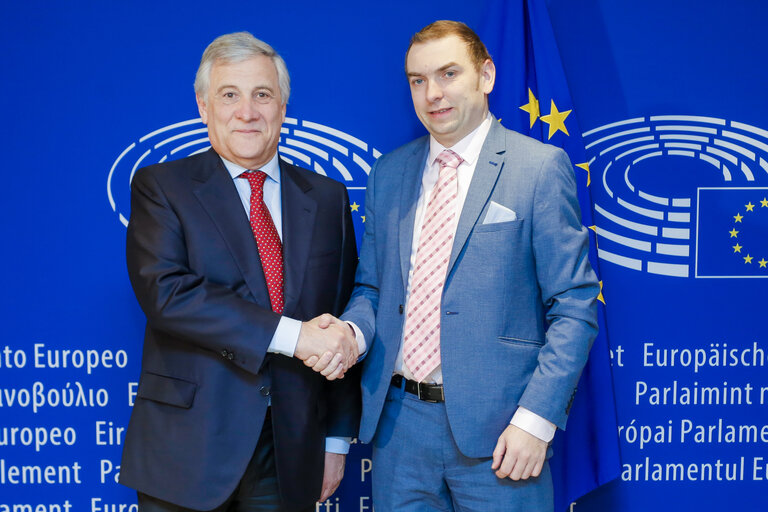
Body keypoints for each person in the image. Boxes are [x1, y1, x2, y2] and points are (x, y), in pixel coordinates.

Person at [338, 20, 599, 511]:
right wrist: (350, 335)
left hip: (502, 432)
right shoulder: (389, 173)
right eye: (417, 80)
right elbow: (372, 289)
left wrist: (534, 421)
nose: (432, 93)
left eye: (448, 74)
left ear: (486, 75)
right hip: (398, 428)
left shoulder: (539, 168)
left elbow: (576, 305)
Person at [119, 31, 361, 512]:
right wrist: (295, 337)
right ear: (204, 106)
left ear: (283, 106)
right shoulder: (161, 187)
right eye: (230, 95)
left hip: (290, 451)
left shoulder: (328, 198)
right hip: (188, 451)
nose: (247, 112)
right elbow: (168, 294)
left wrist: (335, 441)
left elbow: (341, 312)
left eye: (262, 95)